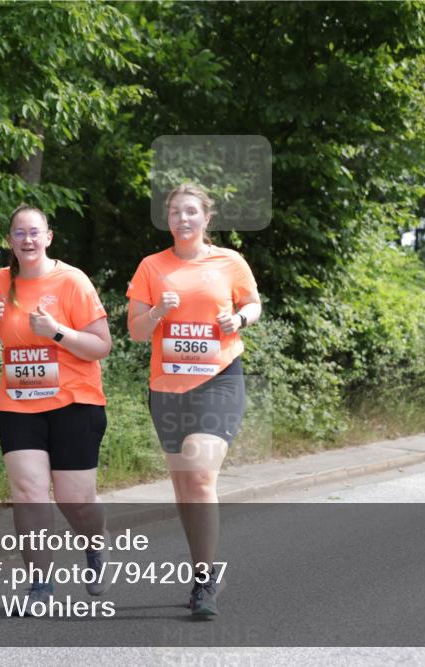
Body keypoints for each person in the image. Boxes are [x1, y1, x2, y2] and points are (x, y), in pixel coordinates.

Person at [0, 204, 112, 609]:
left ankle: (94, 544)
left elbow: (102, 345)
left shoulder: (72, 281)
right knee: (29, 492)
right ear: (9, 240)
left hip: (74, 402)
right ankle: (40, 586)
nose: (27, 240)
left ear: (48, 238)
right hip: (18, 404)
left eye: (34, 232)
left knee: (74, 500)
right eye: (19, 233)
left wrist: (57, 332)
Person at [127, 184, 262, 616]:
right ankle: (203, 568)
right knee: (185, 486)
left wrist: (238, 319)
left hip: (218, 379)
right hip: (167, 387)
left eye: (190, 212)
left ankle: (203, 580)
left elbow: (253, 304)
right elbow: (136, 331)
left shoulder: (229, 262)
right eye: (175, 212)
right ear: (167, 219)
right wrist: (157, 312)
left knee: (200, 475)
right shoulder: (151, 266)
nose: (182, 219)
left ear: (206, 218)